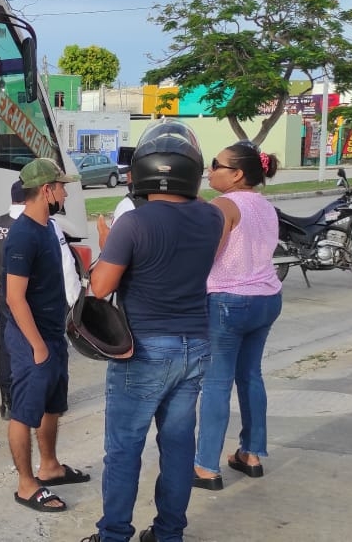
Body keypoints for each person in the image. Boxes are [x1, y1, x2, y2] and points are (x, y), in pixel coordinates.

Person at [81, 121, 225, 542]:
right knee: (178, 445)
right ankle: (168, 534)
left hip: (144, 349)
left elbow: (101, 287)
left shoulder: (134, 223)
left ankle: (114, 535)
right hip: (195, 345)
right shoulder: (211, 217)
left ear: (140, 172)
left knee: (124, 449)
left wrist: (109, 242)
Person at [193, 142, 283, 491]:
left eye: (216, 164)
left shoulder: (223, 205)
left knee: (216, 383)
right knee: (250, 376)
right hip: (267, 298)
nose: (210, 169)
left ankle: (206, 466)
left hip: (229, 301)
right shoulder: (264, 205)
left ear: (237, 173)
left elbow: (207, 254)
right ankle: (251, 453)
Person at [5, 158, 90, 514]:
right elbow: (14, 297)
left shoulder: (46, 227)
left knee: (53, 406)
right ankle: (27, 485)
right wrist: (37, 346)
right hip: (32, 342)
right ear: (46, 190)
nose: (64, 191)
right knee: (24, 413)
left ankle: (50, 467)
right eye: (60, 185)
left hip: (53, 336)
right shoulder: (23, 234)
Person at [0, 179, 83, 420]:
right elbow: (65, 265)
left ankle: (8, 399)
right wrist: (76, 299)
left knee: (7, 346)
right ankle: (45, 403)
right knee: (41, 348)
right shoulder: (45, 225)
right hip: (36, 300)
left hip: (6, 296)